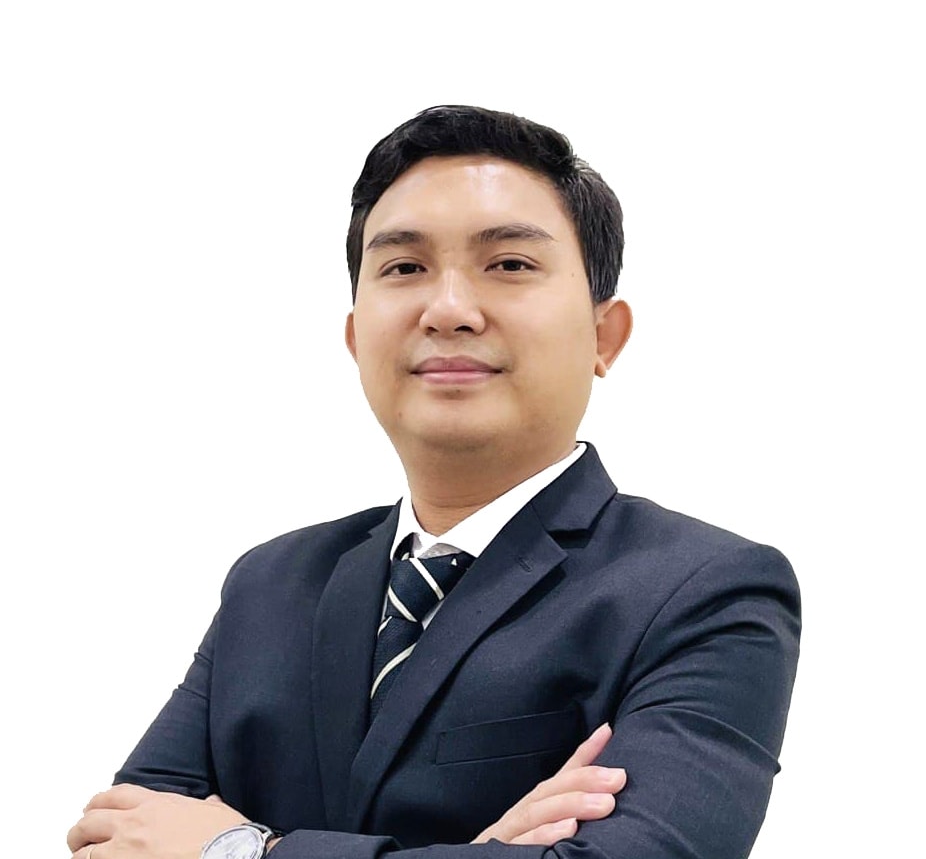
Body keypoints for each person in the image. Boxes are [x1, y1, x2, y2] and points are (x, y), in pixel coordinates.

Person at [67, 105, 800, 859]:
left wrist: (243, 850)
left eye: (509, 265)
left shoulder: (707, 591)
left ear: (604, 336)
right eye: (404, 268)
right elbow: (113, 840)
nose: (448, 310)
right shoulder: (270, 583)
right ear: (356, 336)